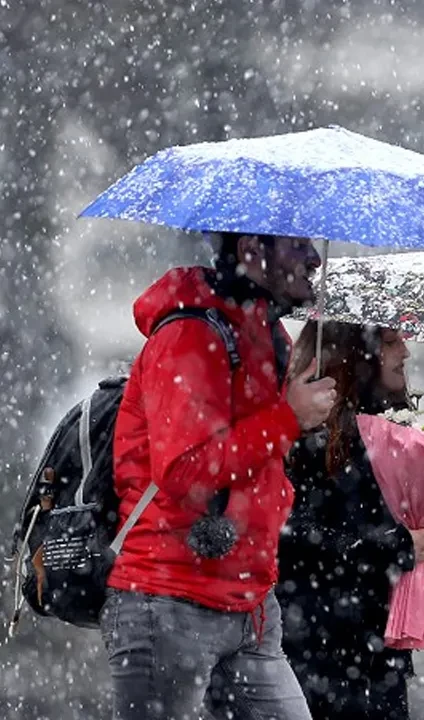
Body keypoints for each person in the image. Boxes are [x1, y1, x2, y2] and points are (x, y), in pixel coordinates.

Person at [103, 233, 335, 720]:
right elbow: (185, 472)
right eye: (296, 245)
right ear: (253, 247)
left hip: (250, 606)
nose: (314, 258)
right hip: (168, 603)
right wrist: (288, 419)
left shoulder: (268, 335)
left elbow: (261, 460)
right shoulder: (190, 335)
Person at [278, 320, 424, 720]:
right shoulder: (303, 432)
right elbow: (290, 535)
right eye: (391, 342)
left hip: (377, 648)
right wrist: (396, 547)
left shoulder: (397, 429)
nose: (405, 352)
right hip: (314, 645)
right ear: (357, 354)